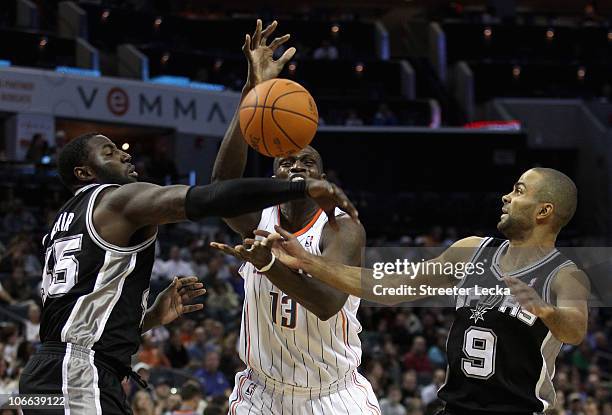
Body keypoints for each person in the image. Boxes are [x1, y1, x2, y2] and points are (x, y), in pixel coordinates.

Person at [17, 126, 356, 414]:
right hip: (75, 374)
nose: (125, 155)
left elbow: (79, 316)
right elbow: (210, 197)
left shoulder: (62, 222)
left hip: (59, 371)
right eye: (110, 153)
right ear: (84, 173)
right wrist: (300, 186)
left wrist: (148, 318)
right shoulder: (116, 200)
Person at [221, 168, 590, 414]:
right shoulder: (472, 250)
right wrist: (308, 262)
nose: (507, 197)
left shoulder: (564, 275)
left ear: (544, 211)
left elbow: (574, 329)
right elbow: (391, 286)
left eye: (519, 191)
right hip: (455, 408)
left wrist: (547, 312)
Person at [210, 19, 380, 414]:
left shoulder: (341, 227)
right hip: (261, 393)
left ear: (322, 179)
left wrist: (268, 263)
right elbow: (219, 189)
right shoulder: (260, 219)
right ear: (273, 176)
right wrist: (252, 93)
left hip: (332, 394)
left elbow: (327, 303)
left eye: (309, 162)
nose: (298, 166)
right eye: (287, 162)